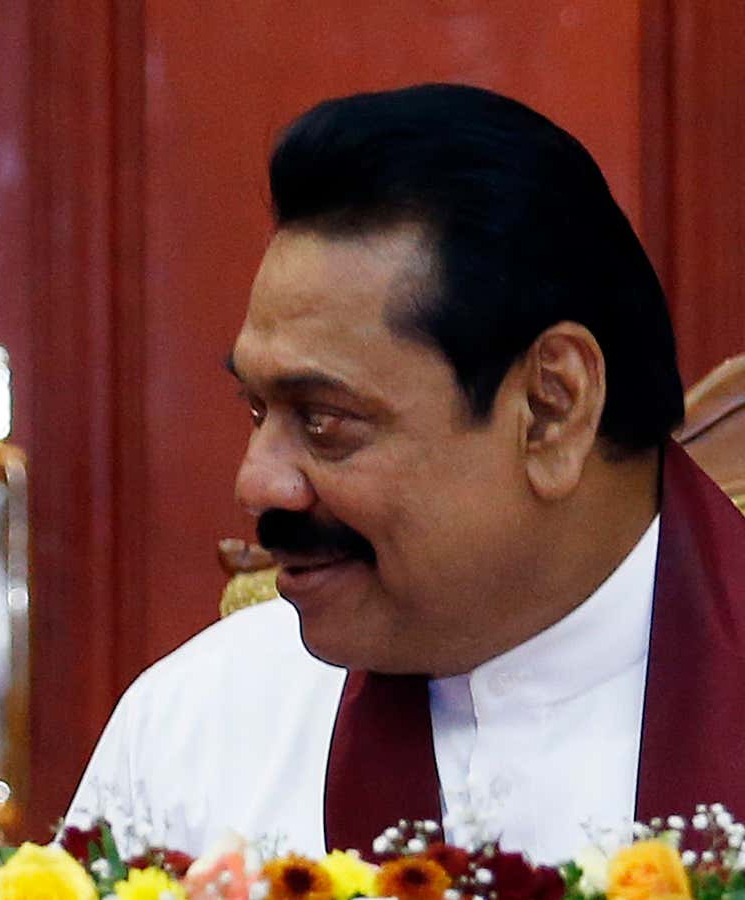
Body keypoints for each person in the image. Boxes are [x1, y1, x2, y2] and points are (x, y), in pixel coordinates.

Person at [68, 83, 745, 863]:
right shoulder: (194, 729)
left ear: (552, 408)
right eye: (259, 412)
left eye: (324, 421)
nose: (258, 485)